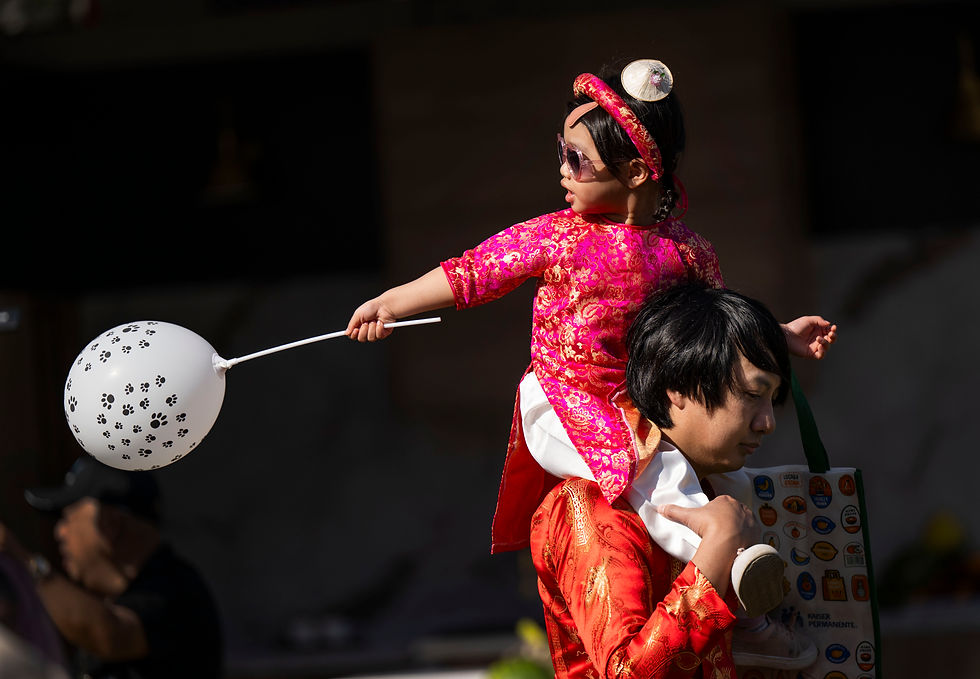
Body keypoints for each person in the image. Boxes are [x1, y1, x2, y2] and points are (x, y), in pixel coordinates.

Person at [346, 58, 835, 610]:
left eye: (576, 159)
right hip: (565, 399)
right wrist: (390, 302)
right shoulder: (557, 236)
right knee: (658, 469)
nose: (562, 169)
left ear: (636, 171)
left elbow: (717, 330)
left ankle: (756, 608)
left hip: (644, 407)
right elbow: (471, 272)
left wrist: (779, 334)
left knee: (732, 481)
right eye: (562, 151)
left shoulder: (688, 251)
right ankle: (730, 564)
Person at [530, 283, 811, 676]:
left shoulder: (714, 489)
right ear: (678, 385)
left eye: (772, 399)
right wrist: (718, 550)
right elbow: (628, 672)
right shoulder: (594, 504)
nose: (767, 422)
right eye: (752, 394)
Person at [0, 455, 223, 679]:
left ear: (111, 524)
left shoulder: (175, 589)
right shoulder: (122, 598)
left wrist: (26, 563)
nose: (60, 532)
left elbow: (110, 634)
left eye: (67, 517)